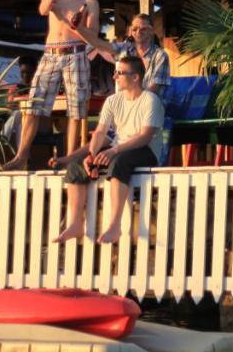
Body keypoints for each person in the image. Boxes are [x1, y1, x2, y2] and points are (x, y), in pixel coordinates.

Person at [0, 0, 99, 171]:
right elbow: (42, 10)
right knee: (34, 105)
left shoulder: (89, 1)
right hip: (52, 53)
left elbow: (93, 35)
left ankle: (70, 160)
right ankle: (21, 156)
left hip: (76, 52)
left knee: (76, 110)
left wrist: (77, 26)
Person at [53, 54, 164, 244]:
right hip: (118, 149)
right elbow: (99, 133)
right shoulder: (112, 100)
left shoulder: (150, 100)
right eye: (115, 72)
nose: (115, 77)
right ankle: (75, 224)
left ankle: (114, 226)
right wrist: (91, 155)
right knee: (76, 167)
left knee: (118, 161)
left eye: (120, 73)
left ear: (135, 77)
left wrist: (113, 151)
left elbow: (145, 137)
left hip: (145, 151)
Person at [67, 12, 171, 100]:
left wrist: (134, 104)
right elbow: (96, 43)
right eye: (134, 29)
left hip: (150, 106)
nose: (138, 32)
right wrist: (77, 28)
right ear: (131, 31)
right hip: (125, 105)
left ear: (151, 31)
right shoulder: (124, 48)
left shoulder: (160, 55)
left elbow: (154, 89)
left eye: (143, 29)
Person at [0, 56, 35, 150]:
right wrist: (14, 100)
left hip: (33, 120)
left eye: (29, 73)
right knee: (19, 118)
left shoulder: (38, 88)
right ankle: (24, 159)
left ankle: (4, 135)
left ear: (34, 72)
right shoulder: (14, 88)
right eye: (23, 72)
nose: (25, 76)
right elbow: (8, 107)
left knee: (19, 115)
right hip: (19, 120)